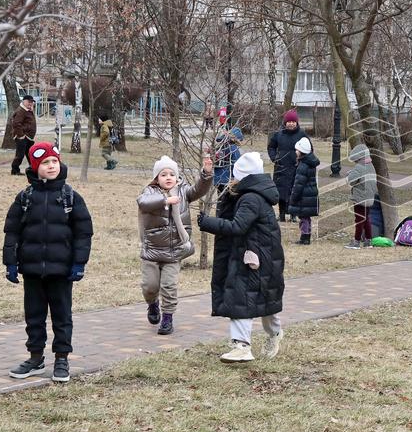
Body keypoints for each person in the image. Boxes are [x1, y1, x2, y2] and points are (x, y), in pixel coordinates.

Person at [3, 142, 93, 383]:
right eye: (45, 163)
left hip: (61, 271)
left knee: (62, 315)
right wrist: (10, 262)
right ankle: (35, 357)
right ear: (35, 167)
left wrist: (79, 263)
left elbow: (83, 233)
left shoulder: (70, 197)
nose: (51, 166)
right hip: (31, 269)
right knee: (34, 315)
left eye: (54, 161)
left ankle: (62, 358)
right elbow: (12, 231)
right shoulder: (25, 198)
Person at [198, 152, 285, 363]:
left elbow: (238, 226)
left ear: (243, 176)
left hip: (255, 258)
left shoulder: (251, 199)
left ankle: (242, 346)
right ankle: (271, 335)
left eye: (234, 175)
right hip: (258, 256)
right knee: (261, 300)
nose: (231, 179)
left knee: (243, 298)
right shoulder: (250, 194)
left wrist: (207, 222)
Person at [137, 154, 213, 335]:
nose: (168, 177)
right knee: (150, 287)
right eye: (163, 174)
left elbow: (199, 190)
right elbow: (143, 203)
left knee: (169, 286)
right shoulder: (149, 192)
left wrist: (206, 174)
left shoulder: (183, 191)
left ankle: (168, 318)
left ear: (177, 176)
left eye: (172, 174)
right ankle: (152, 304)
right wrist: (165, 201)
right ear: (156, 178)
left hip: (174, 252)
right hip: (152, 251)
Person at [267, 109, 306, 222]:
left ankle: (293, 215)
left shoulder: (302, 134)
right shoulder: (278, 134)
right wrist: (274, 158)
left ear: (296, 123)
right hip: (281, 167)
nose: (291, 123)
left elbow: (309, 149)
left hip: (296, 167)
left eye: (293, 121)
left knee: (294, 191)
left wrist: (302, 160)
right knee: (281, 192)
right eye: (289, 121)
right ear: (285, 122)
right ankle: (282, 214)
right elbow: (271, 147)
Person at [345, 143, 377, 249]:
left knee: (359, 220)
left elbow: (351, 181)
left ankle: (356, 241)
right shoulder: (370, 166)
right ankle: (368, 241)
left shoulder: (359, 166)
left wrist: (348, 176)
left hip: (360, 198)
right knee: (366, 219)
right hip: (369, 197)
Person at [289, 137, 320, 245]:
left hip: (304, 195)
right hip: (310, 193)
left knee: (303, 218)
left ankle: (305, 237)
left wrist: (293, 197)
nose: (295, 152)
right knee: (306, 217)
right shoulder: (310, 163)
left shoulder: (303, 166)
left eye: (297, 150)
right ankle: (306, 235)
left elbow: (298, 184)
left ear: (301, 152)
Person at [10, 94, 36, 176]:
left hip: (28, 137)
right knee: (20, 155)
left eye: (32, 102)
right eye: (29, 102)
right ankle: (15, 170)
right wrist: (21, 136)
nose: (30, 103)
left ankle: (33, 169)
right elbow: (16, 123)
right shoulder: (21, 111)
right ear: (24, 101)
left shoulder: (28, 110)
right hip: (22, 137)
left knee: (30, 154)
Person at [213, 127, 243, 195]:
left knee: (220, 198)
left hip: (217, 178)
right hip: (227, 179)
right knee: (226, 200)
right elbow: (236, 165)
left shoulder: (220, 146)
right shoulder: (233, 148)